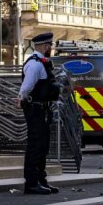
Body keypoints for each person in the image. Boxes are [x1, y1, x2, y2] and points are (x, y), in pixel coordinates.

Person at [18, 31, 61, 195]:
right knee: (35, 145)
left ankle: (41, 180)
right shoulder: (35, 64)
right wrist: (21, 98)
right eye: (50, 46)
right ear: (44, 46)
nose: (51, 48)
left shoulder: (42, 62)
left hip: (42, 109)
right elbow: (27, 86)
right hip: (35, 109)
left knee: (43, 146)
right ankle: (31, 182)